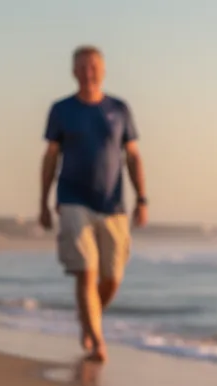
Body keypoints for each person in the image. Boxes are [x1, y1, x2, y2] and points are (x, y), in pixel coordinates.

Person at [39, 45, 147, 362]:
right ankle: (97, 340)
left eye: (94, 66)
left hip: (113, 204)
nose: (88, 72)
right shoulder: (61, 110)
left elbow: (134, 156)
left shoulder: (119, 109)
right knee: (86, 272)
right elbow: (49, 157)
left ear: (103, 70)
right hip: (72, 200)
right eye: (82, 67)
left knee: (112, 277)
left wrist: (142, 198)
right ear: (74, 72)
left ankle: (88, 318)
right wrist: (43, 202)